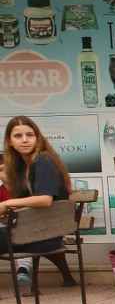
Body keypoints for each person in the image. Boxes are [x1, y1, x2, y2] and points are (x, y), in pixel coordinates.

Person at [0, 116, 76, 292]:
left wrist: (6, 204)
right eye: (18, 136)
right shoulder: (19, 166)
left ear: (37, 138)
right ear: (9, 142)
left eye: (30, 135)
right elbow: (25, 204)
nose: (25, 140)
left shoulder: (43, 160)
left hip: (45, 236)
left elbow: (45, 199)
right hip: (27, 232)